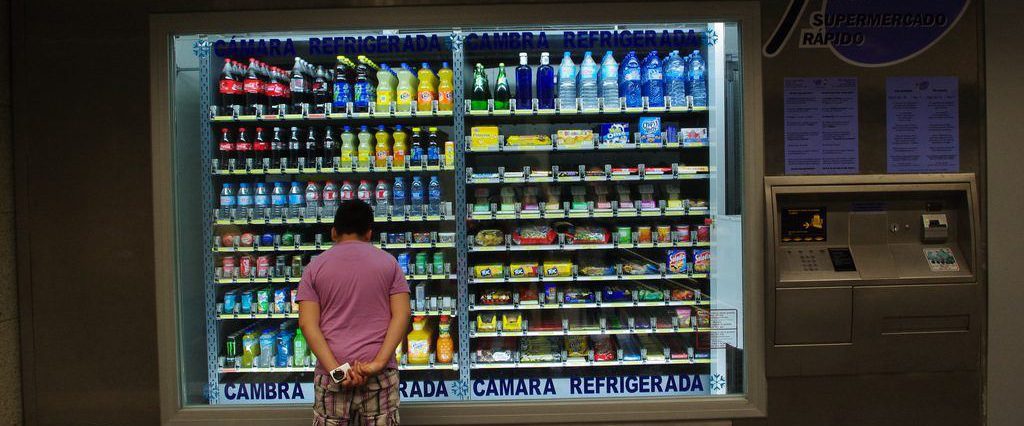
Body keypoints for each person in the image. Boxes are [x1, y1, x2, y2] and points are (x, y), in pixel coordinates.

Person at [297, 199, 411, 425]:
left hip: (332, 378)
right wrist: (378, 363)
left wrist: (336, 371)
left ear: (333, 232)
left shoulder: (314, 268)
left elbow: (307, 324)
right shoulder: (390, 264)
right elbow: (402, 315)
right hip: (378, 376)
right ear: (369, 233)